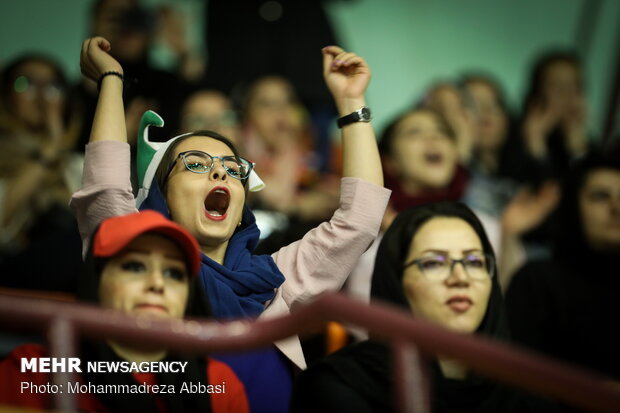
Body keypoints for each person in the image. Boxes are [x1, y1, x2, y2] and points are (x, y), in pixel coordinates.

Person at [72, 37, 390, 413]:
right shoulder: (131, 260)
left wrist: (352, 102)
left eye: (232, 168)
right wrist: (111, 78)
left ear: (241, 205)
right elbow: (106, 189)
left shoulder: (278, 282)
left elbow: (360, 220)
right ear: (162, 194)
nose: (220, 170)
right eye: (195, 163)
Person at [292, 202, 559, 413]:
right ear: (396, 280)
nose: (460, 278)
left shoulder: (527, 391)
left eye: (475, 262)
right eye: (434, 263)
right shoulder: (339, 387)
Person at [0, 210, 249, 413]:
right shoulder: (34, 371)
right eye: (134, 266)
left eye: (174, 273)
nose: (157, 283)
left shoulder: (219, 382)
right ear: (96, 281)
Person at [505, 148, 620, 412]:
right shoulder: (538, 281)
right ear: (574, 207)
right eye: (601, 196)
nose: (616, 207)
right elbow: (516, 384)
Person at [0, 54, 84, 292]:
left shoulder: (76, 165)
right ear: (6, 96)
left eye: (53, 86)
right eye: (25, 83)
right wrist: (49, 149)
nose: (40, 95)